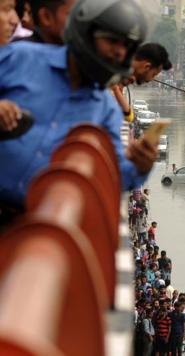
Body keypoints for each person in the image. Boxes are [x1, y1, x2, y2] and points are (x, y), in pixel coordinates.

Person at [0, 0, 158, 223]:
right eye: (112, 41)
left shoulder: (106, 111)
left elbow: (115, 176)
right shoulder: (21, 58)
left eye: (126, 46)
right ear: (85, 33)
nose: (118, 53)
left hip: (34, 229)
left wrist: (142, 166)